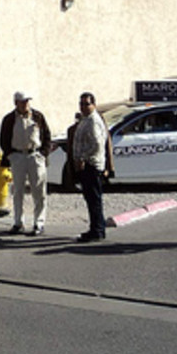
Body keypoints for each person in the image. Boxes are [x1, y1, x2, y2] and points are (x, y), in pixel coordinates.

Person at [0, 90, 52, 235]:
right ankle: (18, 222)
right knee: (18, 191)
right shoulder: (9, 119)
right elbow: (3, 139)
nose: (25, 104)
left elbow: (47, 136)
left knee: (39, 191)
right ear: (16, 103)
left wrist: (43, 154)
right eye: (22, 102)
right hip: (18, 156)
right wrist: (11, 156)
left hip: (35, 155)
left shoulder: (38, 116)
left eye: (27, 101)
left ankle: (39, 223)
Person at [72, 91, 112, 242]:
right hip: (86, 165)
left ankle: (97, 230)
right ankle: (96, 228)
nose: (83, 107)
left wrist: (83, 157)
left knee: (94, 199)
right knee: (91, 199)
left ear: (93, 105)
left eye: (86, 104)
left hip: (91, 165)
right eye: (81, 104)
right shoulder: (85, 119)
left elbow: (96, 144)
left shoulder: (94, 121)